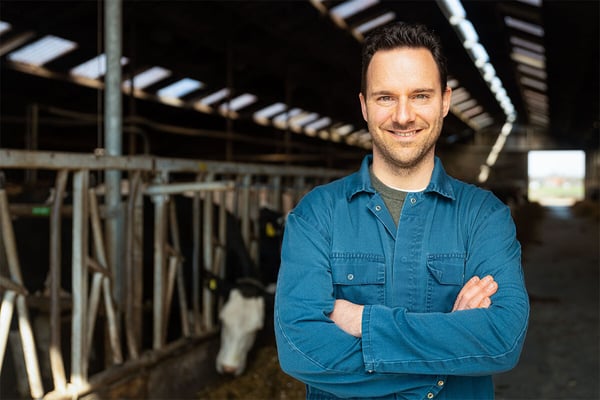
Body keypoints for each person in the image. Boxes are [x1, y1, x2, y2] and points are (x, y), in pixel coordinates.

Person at [274, 21, 529, 400]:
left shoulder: (484, 217)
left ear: (445, 101)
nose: (404, 116)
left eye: (420, 96)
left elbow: (501, 340)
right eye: (385, 98)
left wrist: (363, 321)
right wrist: (443, 366)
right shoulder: (317, 214)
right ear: (363, 106)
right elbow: (300, 349)